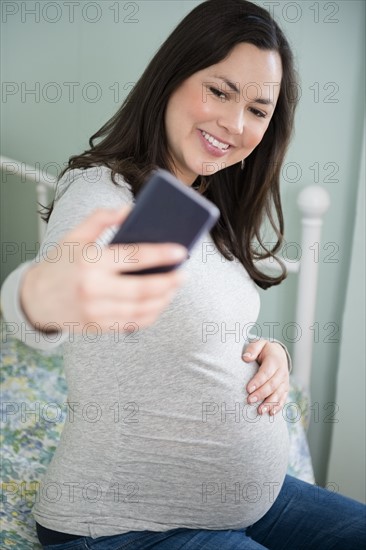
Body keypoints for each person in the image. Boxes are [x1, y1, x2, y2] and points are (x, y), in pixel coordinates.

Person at [1, 0, 365, 548]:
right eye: (219, 91)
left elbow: (188, 330)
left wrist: (268, 354)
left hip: (255, 500)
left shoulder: (206, 206)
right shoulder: (103, 191)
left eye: (258, 110)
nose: (234, 124)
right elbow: (53, 298)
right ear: (171, 78)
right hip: (121, 525)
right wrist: (36, 297)